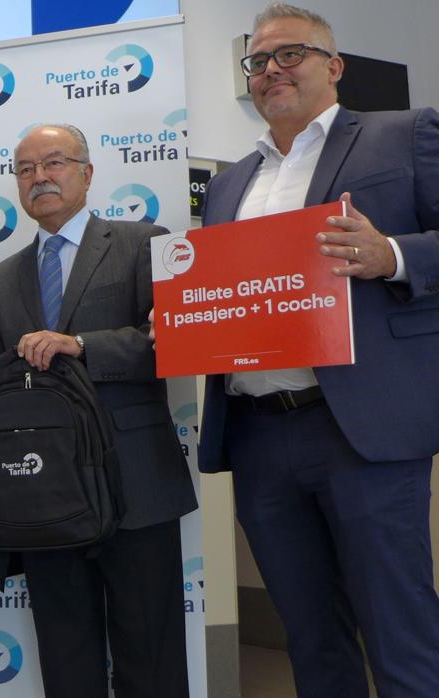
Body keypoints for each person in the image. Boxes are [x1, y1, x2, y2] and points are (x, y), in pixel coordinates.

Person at [195, 4, 439, 696]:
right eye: (258, 61)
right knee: (310, 641)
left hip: (363, 432)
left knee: (400, 631)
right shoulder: (227, 185)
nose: (271, 69)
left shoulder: (404, 134)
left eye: (290, 54)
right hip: (259, 435)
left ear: (334, 67)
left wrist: (391, 253)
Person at [0, 123, 195, 698]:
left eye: (54, 163)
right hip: (43, 493)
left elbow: (175, 341)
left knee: (152, 654)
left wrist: (84, 345)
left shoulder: (145, 242)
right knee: (66, 657)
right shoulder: (2, 278)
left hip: (136, 483)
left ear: (88, 173)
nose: (39, 177)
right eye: (26, 169)